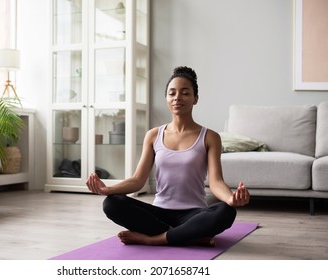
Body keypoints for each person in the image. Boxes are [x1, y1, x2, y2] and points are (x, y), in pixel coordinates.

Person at [86, 66, 250, 247]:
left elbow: (216, 181)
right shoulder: (154, 135)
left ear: (195, 98)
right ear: (167, 99)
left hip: (193, 214)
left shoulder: (210, 137)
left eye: (185, 93)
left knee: (226, 211)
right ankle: (187, 236)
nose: (177, 97)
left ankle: (154, 239)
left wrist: (230, 199)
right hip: (159, 213)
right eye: (172, 93)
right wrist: (107, 189)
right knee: (112, 204)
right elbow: (137, 180)